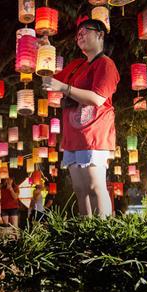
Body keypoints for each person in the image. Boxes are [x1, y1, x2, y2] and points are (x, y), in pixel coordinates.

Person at [42, 19, 120, 217]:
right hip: (73, 135)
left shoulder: (106, 64)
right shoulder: (77, 65)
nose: (80, 37)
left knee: (95, 185)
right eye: (78, 35)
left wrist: (64, 88)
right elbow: (50, 79)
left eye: (85, 32)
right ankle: (86, 233)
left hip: (94, 132)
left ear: (100, 35)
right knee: (79, 189)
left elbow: (96, 98)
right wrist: (43, 53)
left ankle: (102, 234)